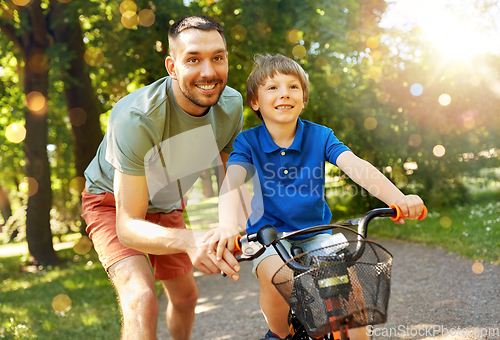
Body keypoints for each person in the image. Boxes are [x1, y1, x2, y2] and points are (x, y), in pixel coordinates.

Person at [206, 53, 425, 340]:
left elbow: (356, 166)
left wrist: (398, 198)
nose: (284, 93)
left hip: (317, 232)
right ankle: (279, 333)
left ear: (304, 98)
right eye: (272, 88)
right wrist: (226, 225)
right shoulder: (248, 141)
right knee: (276, 278)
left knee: (350, 290)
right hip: (270, 236)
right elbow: (231, 182)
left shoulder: (320, 136)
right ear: (255, 102)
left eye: (293, 86)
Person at [81, 15, 243, 340]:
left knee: (186, 297)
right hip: (112, 203)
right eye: (193, 59)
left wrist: (232, 224)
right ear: (172, 66)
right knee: (141, 299)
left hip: (166, 203)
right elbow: (128, 225)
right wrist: (192, 239)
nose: (209, 72)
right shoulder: (136, 118)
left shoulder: (231, 106)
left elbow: (231, 180)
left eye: (218, 58)